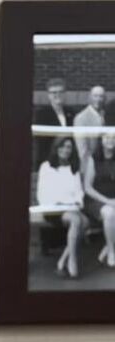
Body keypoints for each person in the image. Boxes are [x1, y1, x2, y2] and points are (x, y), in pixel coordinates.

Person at [36, 136, 86, 278]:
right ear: (56, 147)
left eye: (69, 147)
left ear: (72, 150)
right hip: (53, 208)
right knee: (78, 221)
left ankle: (62, 260)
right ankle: (72, 261)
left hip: (70, 208)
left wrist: (77, 202)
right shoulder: (46, 166)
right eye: (62, 146)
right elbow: (42, 192)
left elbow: (78, 192)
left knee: (85, 223)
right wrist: (58, 204)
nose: (65, 150)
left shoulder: (73, 167)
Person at [83, 129, 115, 268]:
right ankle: (112, 252)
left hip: (113, 200)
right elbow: (87, 187)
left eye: (113, 138)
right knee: (109, 213)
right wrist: (107, 201)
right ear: (101, 140)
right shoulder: (93, 159)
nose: (110, 140)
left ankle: (107, 247)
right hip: (95, 200)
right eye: (107, 137)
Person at [33, 76, 74, 167]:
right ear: (48, 95)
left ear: (65, 94)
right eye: (54, 92)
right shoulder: (41, 114)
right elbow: (41, 142)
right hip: (48, 161)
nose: (57, 95)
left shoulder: (70, 112)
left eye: (60, 92)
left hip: (68, 161)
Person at [73, 84, 108, 167]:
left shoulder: (106, 115)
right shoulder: (81, 118)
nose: (98, 99)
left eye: (101, 96)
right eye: (95, 96)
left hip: (106, 163)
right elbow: (82, 149)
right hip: (90, 164)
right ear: (89, 97)